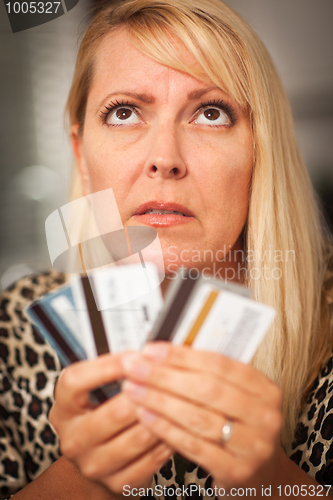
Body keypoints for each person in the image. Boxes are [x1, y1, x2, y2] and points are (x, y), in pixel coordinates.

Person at [0, 0, 333, 498]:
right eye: (125, 112)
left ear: (261, 151)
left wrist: (271, 481)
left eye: (211, 113)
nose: (164, 159)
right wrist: (84, 479)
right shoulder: (14, 325)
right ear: (81, 152)